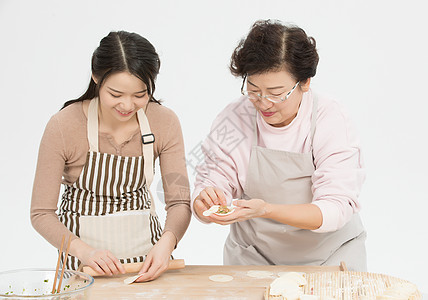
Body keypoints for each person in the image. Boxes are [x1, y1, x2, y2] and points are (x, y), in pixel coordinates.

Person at [192, 20, 367, 271]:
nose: (264, 103)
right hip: (254, 256)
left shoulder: (329, 118)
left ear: (304, 83)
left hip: (330, 257)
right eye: (253, 90)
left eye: (276, 93)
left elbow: (335, 208)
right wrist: (205, 200)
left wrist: (266, 210)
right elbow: (213, 179)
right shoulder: (234, 119)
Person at [31, 31, 191, 282]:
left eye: (140, 95)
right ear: (96, 78)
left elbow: (180, 202)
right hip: (82, 265)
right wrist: (84, 251)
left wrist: (167, 243)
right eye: (116, 94)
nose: (127, 106)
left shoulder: (164, 122)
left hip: (148, 262)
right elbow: (41, 213)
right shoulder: (64, 125)